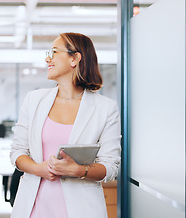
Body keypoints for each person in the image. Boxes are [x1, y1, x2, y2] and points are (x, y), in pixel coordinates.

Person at [10, 33, 122, 218]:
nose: (48, 58)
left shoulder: (105, 109)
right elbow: (17, 152)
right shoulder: (34, 100)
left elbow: (110, 167)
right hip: (34, 206)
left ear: (75, 59)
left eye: (54, 52)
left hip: (81, 209)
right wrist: (40, 169)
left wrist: (78, 170)